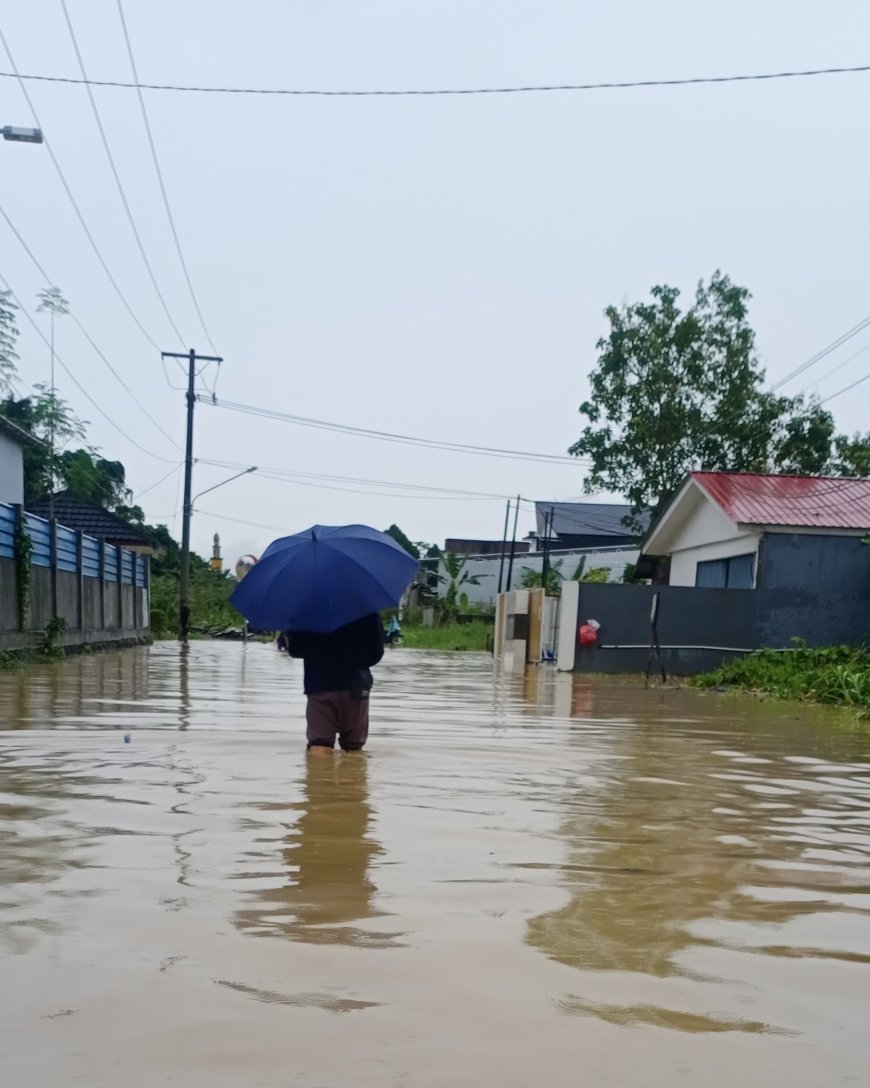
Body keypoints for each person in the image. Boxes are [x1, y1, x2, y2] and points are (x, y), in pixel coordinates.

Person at [284, 613, 385, 754]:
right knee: (354, 749)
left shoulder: (306, 609)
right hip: (356, 686)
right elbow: (376, 653)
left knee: (319, 744)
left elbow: (296, 649)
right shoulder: (366, 608)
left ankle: (320, 775)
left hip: (320, 685)